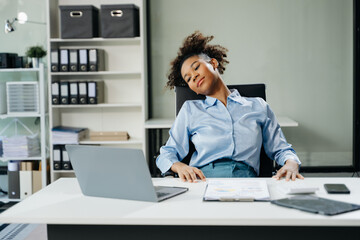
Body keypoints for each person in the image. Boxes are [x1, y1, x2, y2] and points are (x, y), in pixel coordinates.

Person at [156, 31, 304, 183]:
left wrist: (292, 163)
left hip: (247, 181)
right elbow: (167, 154)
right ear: (192, 88)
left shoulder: (258, 106)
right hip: (203, 180)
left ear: (213, 63)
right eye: (188, 79)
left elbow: (281, 149)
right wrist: (179, 166)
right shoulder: (190, 110)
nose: (193, 76)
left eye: (196, 68)